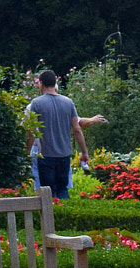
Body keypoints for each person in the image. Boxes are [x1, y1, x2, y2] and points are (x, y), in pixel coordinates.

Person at [25, 70, 91, 200]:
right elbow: (77, 130)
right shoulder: (68, 102)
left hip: (46, 155)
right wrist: (84, 152)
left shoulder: (36, 103)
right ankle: (64, 216)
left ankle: (51, 219)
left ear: (41, 83)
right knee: (62, 190)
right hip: (64, 155)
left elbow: (32, 130)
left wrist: (27, 153)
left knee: (47, 194)